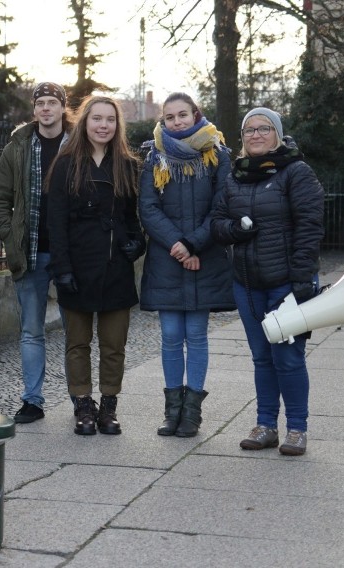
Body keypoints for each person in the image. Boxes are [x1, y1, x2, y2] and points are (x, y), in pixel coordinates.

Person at [210, 107, 324, 456]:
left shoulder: (296, 172)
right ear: (242, 137)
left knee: (288, 358)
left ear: (277, 134)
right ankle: (265, 425)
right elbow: (217, 221)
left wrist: (303, 279)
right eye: (249, 130)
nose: (256, 135)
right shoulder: (235, 176)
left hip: (286, 284)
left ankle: (296, 429)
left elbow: (310, 226)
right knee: (261, 357)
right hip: (247, 284)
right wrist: (235, 231)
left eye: (264, 128)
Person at [47, 95, 145, 436]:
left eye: (110, 119)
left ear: (117, 126)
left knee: (114, 344)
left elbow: (133, 218)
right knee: (77, 343)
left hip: (115, 267)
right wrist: (62, 269)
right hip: (76, 265)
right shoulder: (65, 165)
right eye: (97, 119)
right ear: (85, 122)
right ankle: (82, 403)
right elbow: (55, 223)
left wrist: (137, 242)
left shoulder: (128, 165)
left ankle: (109, 405)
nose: (103, 125)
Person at [139, 93, 235, 438]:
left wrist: (194, 243)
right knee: (169, 336)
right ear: (162, 122)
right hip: (168, 258)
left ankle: (192, 414)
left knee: (196, 336)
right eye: (170, 117)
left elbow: (222, 205)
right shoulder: (155, 156)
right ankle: (172, 411)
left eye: (183, 115)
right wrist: (179, 246)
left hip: (204, 257)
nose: (177, 122)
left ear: (196, 114)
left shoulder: (217, 153)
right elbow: (148, 207)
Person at [0, 82, 71, 423]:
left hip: (72, 255)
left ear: (63, 107)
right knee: (31, 330)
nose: (47, 109)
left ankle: (79, 398)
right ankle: (33, 401)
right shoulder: (18, 146)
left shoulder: (78, 144)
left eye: (53, 102)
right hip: (31, 252)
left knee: (76, 332)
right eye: (41, 103)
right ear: (34, 109)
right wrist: (11, 238)